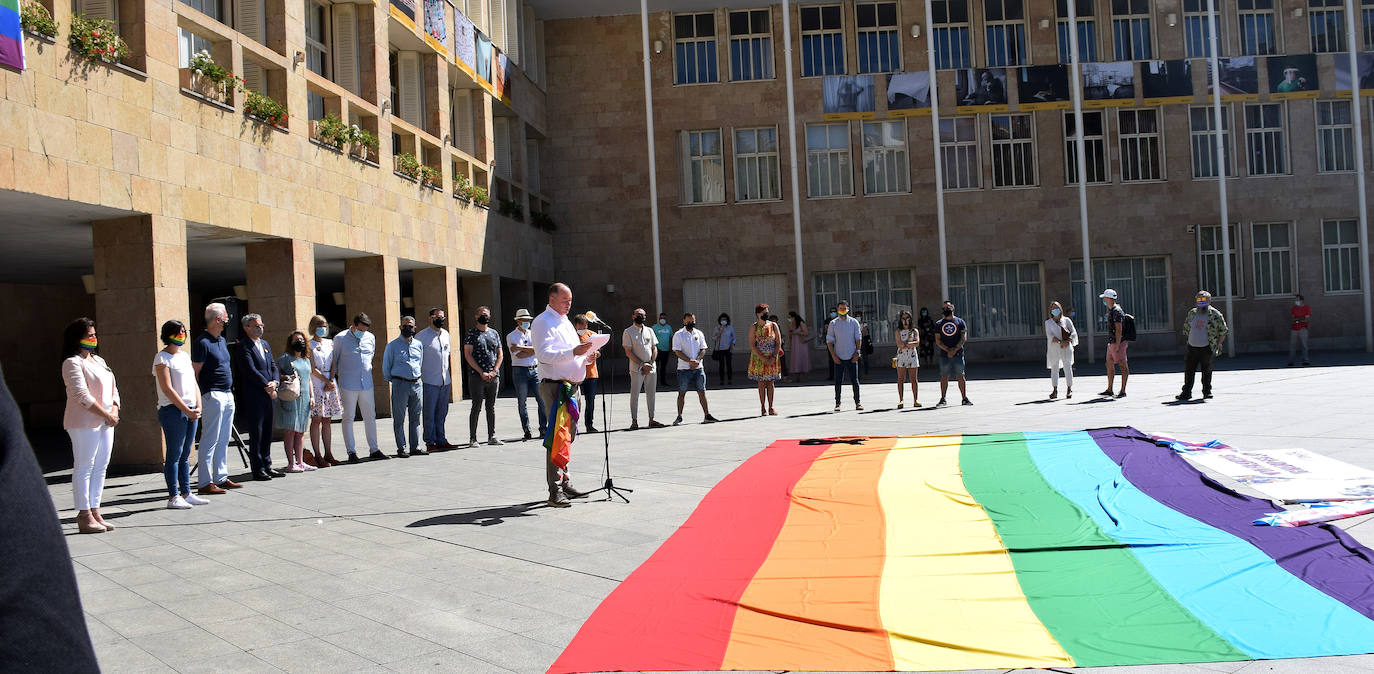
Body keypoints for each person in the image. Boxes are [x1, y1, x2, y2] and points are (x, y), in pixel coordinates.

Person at [531, 283, 597, 507]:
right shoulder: (542, 322)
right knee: (557, 437)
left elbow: (572, 356)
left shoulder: (566, 322)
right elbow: (544, 355)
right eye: (564, 300)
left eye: (570, 301)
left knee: (567, 437)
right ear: (551, 299)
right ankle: (554, 490)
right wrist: (573, 352)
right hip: (555, 386)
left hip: (571, 385)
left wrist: (586, 357)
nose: (569, 304)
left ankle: (564, 481)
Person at [61, 318, 119, 533]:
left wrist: (114, 409)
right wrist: (104, 413)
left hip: (106, 421)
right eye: (89, 335)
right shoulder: (72, 362)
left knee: (101, 466)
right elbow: (80, 395)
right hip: (84, 421)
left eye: (95, 334)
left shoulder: (99, 360)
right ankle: (84, 514)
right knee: (85, 466)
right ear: (77, 338)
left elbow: (113, 389)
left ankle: (95, 510)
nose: (94, 338)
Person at [154, 319, 207, 510]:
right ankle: (173, 496)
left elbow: (193, 383)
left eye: (184, 331)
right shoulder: (162, 358)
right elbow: (167, 388)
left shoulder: (184, 356)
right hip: (173, 411)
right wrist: (185, 409)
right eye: (178, 332)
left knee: (186, 454)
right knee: (174, 454)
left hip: (191, 409)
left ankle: (187, 492)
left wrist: (198, 405)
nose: (182, 335)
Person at [192, 303, 242, 494]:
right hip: (212, 394)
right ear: (217, 319)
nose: (228, 320)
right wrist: (198, 397)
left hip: (227, 393)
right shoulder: (202, 342)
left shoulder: (220, 340)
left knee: (223, 438)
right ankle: (205, 482)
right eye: (225, 317)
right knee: (209, 439)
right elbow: (195, 372)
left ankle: (220, 477)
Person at [331, 313, 386, 462]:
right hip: (348, 384)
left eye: (365, 330)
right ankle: (351, 452)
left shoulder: (370, 337)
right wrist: (332, 381)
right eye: (360, 329)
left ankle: (374, 449)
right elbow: (334, 360)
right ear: (354, 326)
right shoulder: (340, 338)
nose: (363, 333)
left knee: (370, 416)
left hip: (366, 383)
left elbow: (370, 356)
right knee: (348, 417)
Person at [232, 313, 281, 481]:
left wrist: (275, 382)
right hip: (255, 395)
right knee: (257, 433)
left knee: (268, 431)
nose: (260, 328)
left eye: (261, 325)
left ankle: (267, 465)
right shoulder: (243, 346)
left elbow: (272, 365)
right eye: (256, 326)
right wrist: (266, 385)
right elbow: (249, 370)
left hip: (270, 394)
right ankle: (258, 468)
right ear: (246, 328)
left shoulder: (265, 344)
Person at [382, 316, 425, 458]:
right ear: (400, 327)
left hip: (417, 383)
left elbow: (420, 362)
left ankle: (415, 447)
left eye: (411, 326)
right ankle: (401, 447)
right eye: (405, 326)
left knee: (416, 417)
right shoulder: (392, 345)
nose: (408, 328)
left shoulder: (418, 344)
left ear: (415, 328)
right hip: (400, 383)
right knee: (399, 418)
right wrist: (396, 380)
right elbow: (386, 367)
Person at [463, 306, 504, 446]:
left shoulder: (494, 333)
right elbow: (467, 354)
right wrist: (481, 372)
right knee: (476, 406)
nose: (484, 317)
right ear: (476, 316)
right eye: (481, 314)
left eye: (486, 314)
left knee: (490, 407)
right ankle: (472, 438)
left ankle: (492, 436)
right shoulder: (471, 334)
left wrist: (494, 371)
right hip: (477, 376)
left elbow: (500, 354)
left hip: (493, 377)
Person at [1177, 291, 1230, 401]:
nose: (1201, 302)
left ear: (1209, 301)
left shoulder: (1215, 314)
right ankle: (1186, 392)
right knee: (1189, 370)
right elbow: (1186, 327)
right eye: (1199, 300)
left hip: (1206, 347)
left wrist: (1218, 344)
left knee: (1206, 370)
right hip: (1192, 347)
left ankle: (1207, 392)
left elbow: (1223, 331)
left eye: (1203, 300)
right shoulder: (1192, 313)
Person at [418, 307, 457, 451]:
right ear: (430, 318)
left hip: (444, 380)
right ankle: (430, 441)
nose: (440, 319)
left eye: (442, 317)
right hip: (429, 380)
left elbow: (448, 356)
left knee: (442, 412)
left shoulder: (446, 334)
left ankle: (441, 439)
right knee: (429, 413)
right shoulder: (421, 337)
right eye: (437, 317)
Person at [275, 331, 315, 472]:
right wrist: (282, 377)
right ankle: (291, 463)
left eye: (302, 339)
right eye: (296, 339)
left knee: (301, 431)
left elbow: (309, 379)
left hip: (304, 398)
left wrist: (312, 396)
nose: (300, 342)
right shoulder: (285, 358)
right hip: (291, 397)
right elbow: (275, 373)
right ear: (290, 342)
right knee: (290, 430)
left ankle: (300, 461)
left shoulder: (306, 360)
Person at [306, 315, 342, 467]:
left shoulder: (330, 343)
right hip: (317, 381)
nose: (322, 328)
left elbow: (334, 362)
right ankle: (318, 454)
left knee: (327, 419)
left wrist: (331, 379)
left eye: (325, 325)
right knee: (317, 419)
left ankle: (329, 452)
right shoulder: (309, 344)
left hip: (330, 380)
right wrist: (325, 381)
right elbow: (312, 367)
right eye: (319, 325)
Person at [507, 309, 546, 440]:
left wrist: (520, 347)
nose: (527, 323)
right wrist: (530, 350)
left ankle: (543, 428)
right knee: (522, 402)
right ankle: (526, 429)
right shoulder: (511, 336)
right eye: (524, 321)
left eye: (528, 321)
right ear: (518, 321)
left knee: (542, 401)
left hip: (535, 369)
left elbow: (537, 350)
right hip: (520, 370)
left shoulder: (533, 334)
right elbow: (519, 355)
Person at [622, 307, 665, 430]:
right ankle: (634, 420)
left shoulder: (649, 330)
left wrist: (650, 363)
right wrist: (642, 364)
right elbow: (628, 352)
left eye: (643, 315)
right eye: (638, 314)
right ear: (633, 316)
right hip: (637, 369)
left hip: (651, 368)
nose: (641, 316)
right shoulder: (628, 331)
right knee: (635, 394)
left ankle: (651, 419)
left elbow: (654, 348)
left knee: (651, 394)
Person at [673, 313, 719, 425]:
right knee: (682, 393)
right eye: (688, 321)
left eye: (693, 321)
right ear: (684, 321)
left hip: (698, 368)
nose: (691, 323)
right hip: (684, 369)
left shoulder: (699, 333)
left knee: (702, 392)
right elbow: (677, 351)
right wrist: (690, 361)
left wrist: (697, 360)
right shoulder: (678, 335)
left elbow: (703, 349)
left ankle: (707, 415)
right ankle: (679, 416)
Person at [826, 300, 863, 412]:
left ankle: (858, 402)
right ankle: (837, 403)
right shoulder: (833, 324)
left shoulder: (854, 322)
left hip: (852, 356)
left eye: (844, 308)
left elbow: (858, 338)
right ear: (838, 310)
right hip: (838, 357)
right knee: (838, 381)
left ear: (848, 309)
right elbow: (829, 341)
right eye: (840, 308)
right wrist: (833, 356)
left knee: (855, 381)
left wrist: (857, 352)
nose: (842, 310)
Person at [747, 304, 784, 416]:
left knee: (770, 382)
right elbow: (752, 345)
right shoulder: (754, 327)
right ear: (758, 314)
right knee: (762, 383)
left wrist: (773, 357)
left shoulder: (773, 325)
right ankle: (762, 407)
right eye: (764, 312)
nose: (766, 314)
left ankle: (771, 407)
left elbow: (778, 342)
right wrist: (763, 358)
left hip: (772, 357)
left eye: (767, 312)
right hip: (759, 358)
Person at [935, 300, 972, 407]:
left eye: (948, 307)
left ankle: (964, 398)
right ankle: (943, 398)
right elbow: (938, 340)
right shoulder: (939, 324)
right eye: (944, 308)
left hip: (958, 354)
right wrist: (948, 350)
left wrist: (954, 350)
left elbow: (963, 338)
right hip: (944, 355)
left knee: (961, 376)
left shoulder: (960, 322)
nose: (946, 310)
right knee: (944, 376)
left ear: (953, 309)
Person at [574, 314, 603, 433]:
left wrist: (596, 354)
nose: (584, 327)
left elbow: (599, 351)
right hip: (576, 373)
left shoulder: (592, 335)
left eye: (586, 324)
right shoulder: (571, 335)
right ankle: (573, 425)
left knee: (590, 400)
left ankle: (589, 424)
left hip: (591, 373)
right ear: (576, 325)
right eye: (581, 325)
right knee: (575, 401)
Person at [1099, 288, 1129, 398]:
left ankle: (1122, 390)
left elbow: (1119, 329)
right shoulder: (1112, 310)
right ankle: (1110, 389)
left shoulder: (1116, 311)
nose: (1104, 301)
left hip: (1117, 343)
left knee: (1122, 365)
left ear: (1110, 299)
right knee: (1109, 363)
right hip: (1112, 342)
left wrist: (1117, 344)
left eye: (1105, 298)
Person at [1045, 301, 1078, 400]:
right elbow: (1050, 336)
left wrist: (1067, 341)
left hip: (1066, 347)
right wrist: (1060, 342)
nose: (1055, 310)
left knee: (1067, 367)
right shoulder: (1048, 323)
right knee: (1054, 369)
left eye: (1057, 307)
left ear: (1060, 309)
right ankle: (1055, 390)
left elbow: (1073, 332)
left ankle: (1069, 388)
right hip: (1054, 348)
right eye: (1053, 308)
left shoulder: (1066, 320)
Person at [893, 310, 920, 408]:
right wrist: (908, 344)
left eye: (907, 318)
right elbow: (899, 344)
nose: (905, 320)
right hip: (901, 356)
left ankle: (915, 399)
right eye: (903, 318)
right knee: (901, 379)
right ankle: (901, 400)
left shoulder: (914, 331)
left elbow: (917, 342)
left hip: (912, 356)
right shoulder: (898, 331)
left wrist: (906, 344)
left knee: (914, 379)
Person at [786, 312, 811, 382]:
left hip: (801, 343)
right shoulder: (790, 325)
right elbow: (790, 335)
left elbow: (806, 333)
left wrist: (797, 333)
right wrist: (791, 332)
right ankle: (797, 376)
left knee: (803, 358)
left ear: (794, 317)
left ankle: (805, 377)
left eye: (790, 317)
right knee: (796, 359)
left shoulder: (801, 323)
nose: (789, 319)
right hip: (795, 344)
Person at [712, 313, 736, 386]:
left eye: (725, 319)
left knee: (729, 365)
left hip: (728, 349)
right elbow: (714, 338)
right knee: (721, 365)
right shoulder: (717, 328)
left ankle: (729, 379)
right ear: (720, 320)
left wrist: (733, 344)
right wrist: (721, 329)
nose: (724, 321)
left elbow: (734, 337)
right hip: (720, 349)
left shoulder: (730, 328)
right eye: (722, 319)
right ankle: (721, 380)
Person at [653, 312, 675, 388]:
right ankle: (654, 382)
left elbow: (671, 337)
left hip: (666, 350)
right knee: (655, 366)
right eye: (661, 318)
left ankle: (663, 381)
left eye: (664, 318)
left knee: (663, 367)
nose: (663, 319)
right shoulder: (654, 327)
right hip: (657, 350)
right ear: (659, 319)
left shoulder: (669, 327)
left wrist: (671, 347)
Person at [1288, 295, 1310, 366]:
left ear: (1301, 300)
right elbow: (1293, 319)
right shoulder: (1294, 308)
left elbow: (1306, 319)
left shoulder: (1307, 308)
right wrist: (1301, 319)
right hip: (1294, 329)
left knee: (1304, 345)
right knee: (1292, 345)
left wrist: (1298, 319)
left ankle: (1305, 360)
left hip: (1303, 328)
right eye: (1295, 300)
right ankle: (1291, 361)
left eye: (1297, 300)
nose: (1296, 301)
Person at [855, 310, 872, 378]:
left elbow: (864, 332)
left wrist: (858, 334)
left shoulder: (864, 323)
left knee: (865, 358)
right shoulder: (854, 323)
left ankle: (866, 373)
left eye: (859, 316)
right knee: (857, 358)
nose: (858, 318)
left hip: (863, 341)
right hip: (855, 341)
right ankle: (858, 373)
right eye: (857, 316)